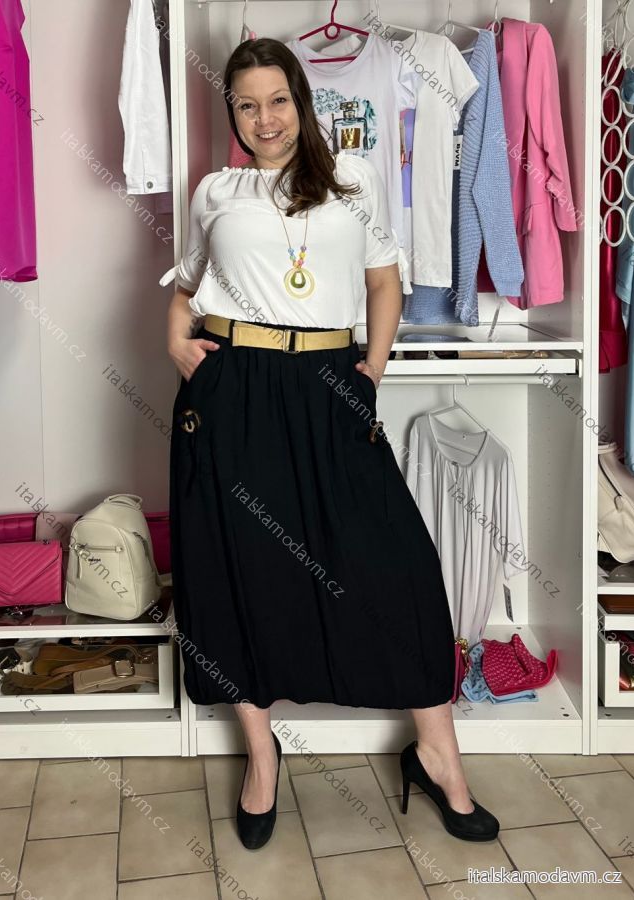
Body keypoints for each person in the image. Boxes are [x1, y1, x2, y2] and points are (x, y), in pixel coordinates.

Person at [163, 37, 499, 850]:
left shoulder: (354, 179)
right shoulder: (216, 189)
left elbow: (384, 280)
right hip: (233, 388)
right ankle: (260, 756)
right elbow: (186, 285)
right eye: (246, 105)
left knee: (396, 566)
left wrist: (370, 372)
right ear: (231, 112)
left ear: (301, 101)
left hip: (327, 383)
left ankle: (437, 756)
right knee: (239, 568)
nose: (264, 120)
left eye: (277, 100)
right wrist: (175, 338)